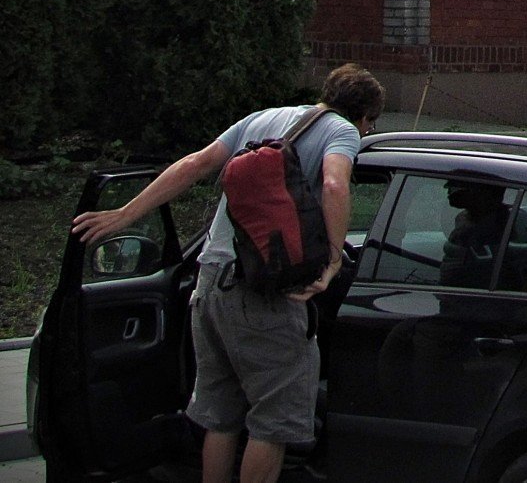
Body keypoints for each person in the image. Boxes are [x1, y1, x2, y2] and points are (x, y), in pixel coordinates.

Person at [72, 63, 385, 483]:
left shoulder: (263, 119)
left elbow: (196, 164)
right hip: (265, 295)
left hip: (209, 284)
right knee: (272, 424)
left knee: (221, 419)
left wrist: (126, 213)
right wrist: (332, 261)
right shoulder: (342, 131)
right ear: (362, 115)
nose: (365, 133)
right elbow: (334, 184)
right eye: (370, 125)